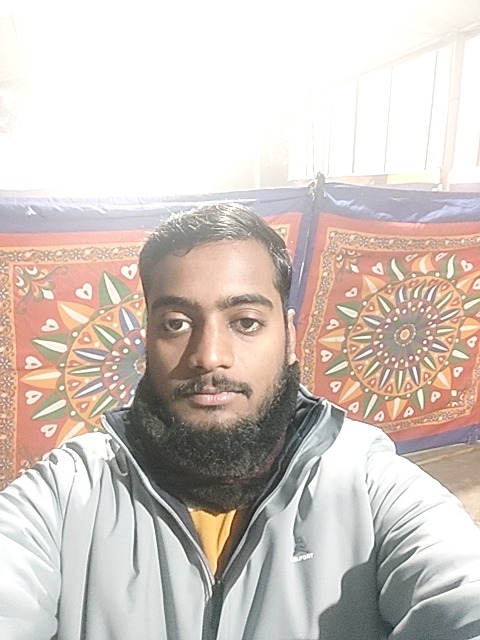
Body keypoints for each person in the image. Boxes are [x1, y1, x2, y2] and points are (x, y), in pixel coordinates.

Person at [1, 203, 480, 640]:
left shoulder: (368, 486)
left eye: (246, 322)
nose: (209, 356)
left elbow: (462, 595)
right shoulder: (68, 494)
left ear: (290, 338)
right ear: (147, 339)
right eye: (176, 323)